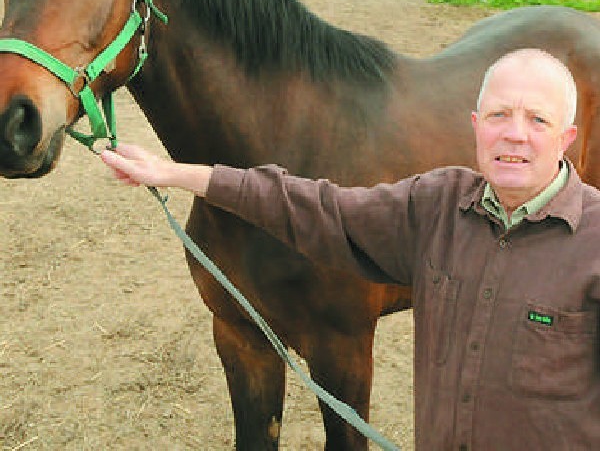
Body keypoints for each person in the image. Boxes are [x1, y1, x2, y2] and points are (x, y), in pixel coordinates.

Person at [100, 48, 600, 450]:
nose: (514, 134)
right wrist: (176, 173)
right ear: (475, 124)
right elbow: (318, 209)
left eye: (537, 120)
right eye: (499, 115)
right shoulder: (439, 206)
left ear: (568, 138)